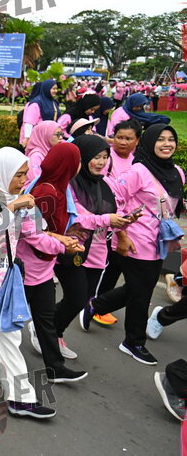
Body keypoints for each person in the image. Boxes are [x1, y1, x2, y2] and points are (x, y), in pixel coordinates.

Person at [82, 124, 184, 366]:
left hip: (160, 240)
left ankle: (95, 305)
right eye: (160, 139)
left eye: (171, 139)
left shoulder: (177, 172)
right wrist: (122, 234)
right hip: (136, 238)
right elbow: (113, 200)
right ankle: (133, 341)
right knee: (142, 292)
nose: (167, 144)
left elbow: (172, 204)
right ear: (149, 142)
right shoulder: (137, 171)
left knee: (139, 287)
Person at [0, 148, 56, 419]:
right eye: (18, 175)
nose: (22, 180)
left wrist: (29, 209)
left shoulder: (15, 197)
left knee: (9, 337)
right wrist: (12, 208)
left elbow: (35, 230)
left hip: (3, 281)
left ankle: (21, 398)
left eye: (25, 175)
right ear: (2, 172)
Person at [51, 135, 133, 359]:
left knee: (82, 300)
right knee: (76, 298)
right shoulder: (70, 184)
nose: (101, 162)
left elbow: (114, 212)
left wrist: (125, 221)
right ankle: (49, 332)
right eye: (96, 157)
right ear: (83, 157)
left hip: (97, 252)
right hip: (73, 248)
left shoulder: (105, 184)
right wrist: (107, 219)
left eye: (105, 157)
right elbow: (75, 217)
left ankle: (51, 329)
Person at [18, 142, 89, 383]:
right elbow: (32, 233)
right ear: (67, 164)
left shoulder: (60, 188)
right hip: (29, 266)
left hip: (43, 266)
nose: (80, 165)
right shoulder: (47, 192)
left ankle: (55, 368)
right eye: (78, 160)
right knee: (14, 317)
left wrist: (65, 239)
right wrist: (63, 245)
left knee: (44, 318)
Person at [21, 79, 60, 149]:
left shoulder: (54, 102)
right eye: (53, 89)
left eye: (56, 89)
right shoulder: (36, 103)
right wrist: (27, 138)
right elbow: (29, 122)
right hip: (37, 138)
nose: (56, 91)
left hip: (49, 137)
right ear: (47, 89)